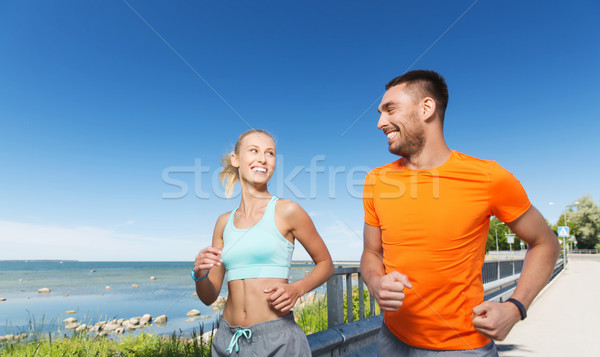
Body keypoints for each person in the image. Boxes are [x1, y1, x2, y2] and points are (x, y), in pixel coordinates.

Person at [360, 70, 560, 356]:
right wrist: (376, 282)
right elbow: (371, 253)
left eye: (390, 110)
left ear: (426, 108)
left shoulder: (490, 177)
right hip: (391, 341)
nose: (380, 122)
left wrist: (516, 308)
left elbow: (546, 243)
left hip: (463, 348)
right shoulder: (375, 180)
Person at [193, 129, 334, 356]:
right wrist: (199, 274)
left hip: (278, 339)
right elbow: (209, 296)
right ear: (236, 160)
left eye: (270, 153)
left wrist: (297, 289)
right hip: (227, 341)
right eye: (254, 151)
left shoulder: (287, 211)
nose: (263, 158)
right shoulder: (223, 223)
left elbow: (326, 263)